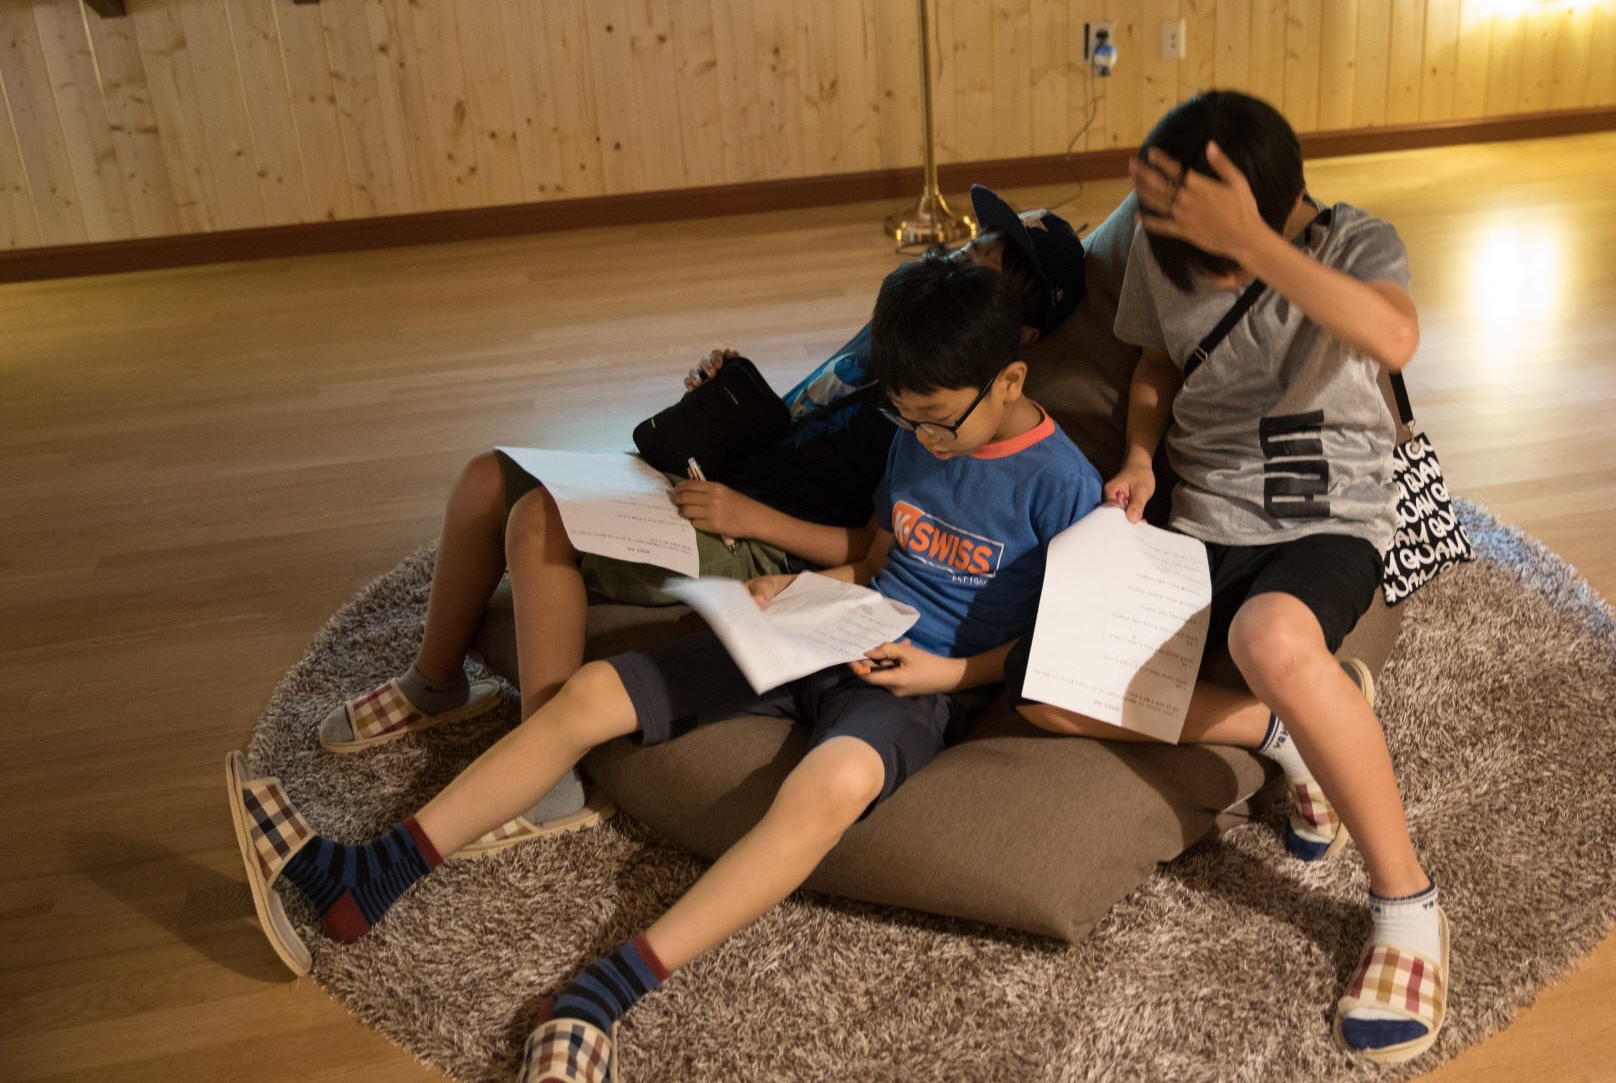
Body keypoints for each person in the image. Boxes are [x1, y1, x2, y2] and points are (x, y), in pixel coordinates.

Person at [230, 250, 1103, 1082]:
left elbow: (1056, 643)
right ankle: (372, 872)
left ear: (1010, 380)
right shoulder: (916, 437)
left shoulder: (1063, 483)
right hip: (833, 623)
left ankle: (597, 1001)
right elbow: (879, 557)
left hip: (924, 676)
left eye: (938, 419)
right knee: (588, 695)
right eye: (909, 419)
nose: (924, 438)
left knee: (831, 788)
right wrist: (800, 588)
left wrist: (945, 678)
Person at [312, 185, 1086, 848]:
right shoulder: (903, 336)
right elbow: (809, 422)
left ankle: (548, 775)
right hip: (720, 476)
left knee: (537, 520)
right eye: (976, 244)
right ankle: (433, 684)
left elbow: (885, 548)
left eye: (988, 262)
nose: (964, 255)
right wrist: (736, 404)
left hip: (754, 527)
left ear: (1011, 344)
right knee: (486, 480)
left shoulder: (945, 425)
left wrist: (755, 519)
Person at [1005, 90, 1446, 1065]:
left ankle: (1408, 905)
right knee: (1041, 680)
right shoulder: (1162, 242)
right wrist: (1139, 457)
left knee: (1268, 637)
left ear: (1279, 207)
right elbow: (1157, 363)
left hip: (1325, 517)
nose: (1205, 270)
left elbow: (1394, 339)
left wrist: (1253, 243)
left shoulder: (1356, 242)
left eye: (1222, 250)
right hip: (1204, 521)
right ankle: (1288, 729)